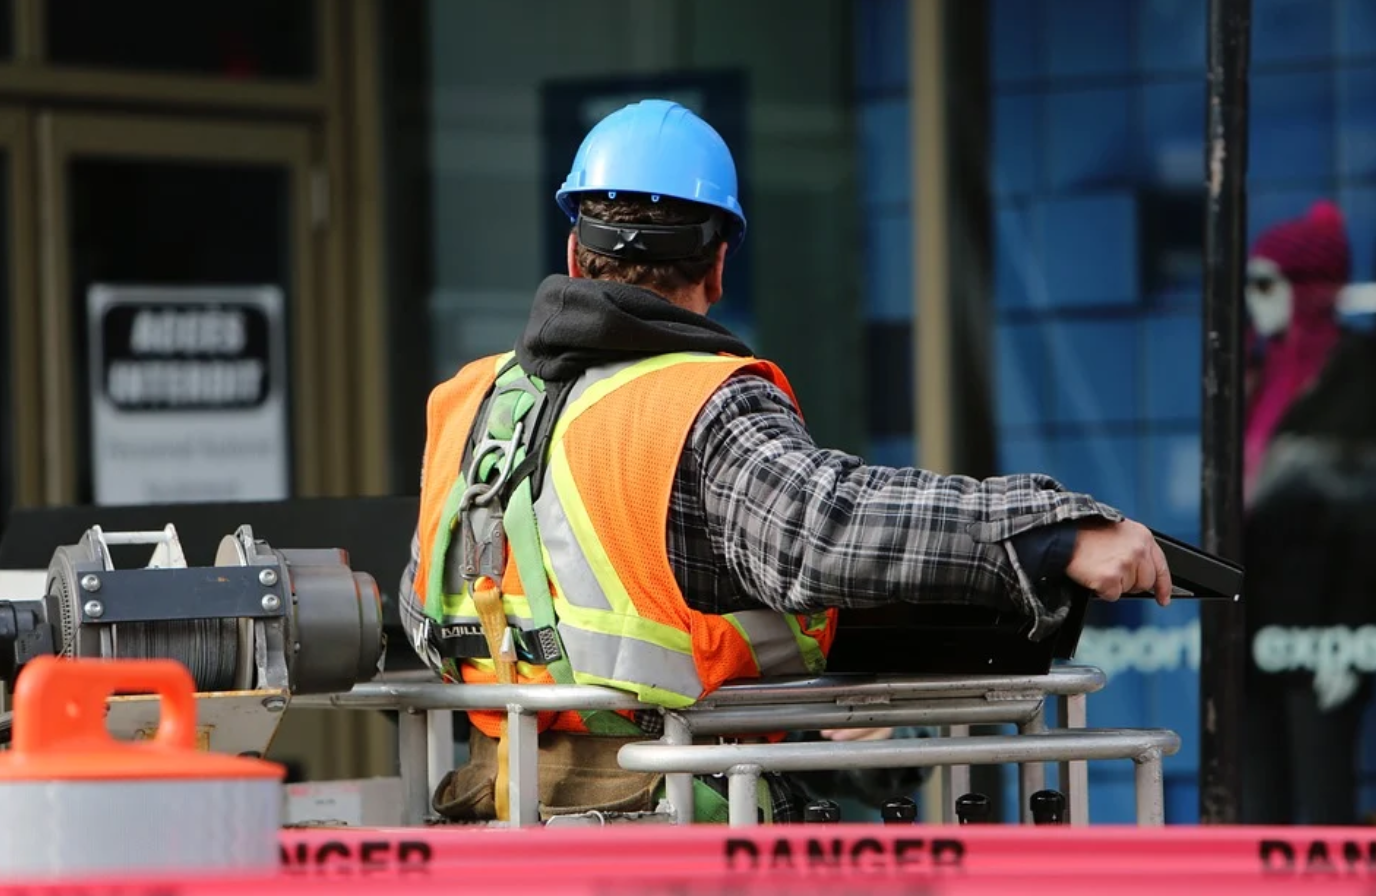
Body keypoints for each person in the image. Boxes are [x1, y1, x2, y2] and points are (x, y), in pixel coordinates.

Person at [398, 99, 1172, 825]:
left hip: (496, 819)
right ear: (719, 265)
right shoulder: (698, 404)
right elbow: (823, 529)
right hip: (670, 828)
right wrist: (1052, 533)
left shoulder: (469, 403)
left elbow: (423, 601)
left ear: (573, 250)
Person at [1243, 201, 1347, 506]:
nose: (1252, 299)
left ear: (1308, 288)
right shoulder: (1259, 373)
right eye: (1248, 285)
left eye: (1264, 284)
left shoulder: (1354, 372)